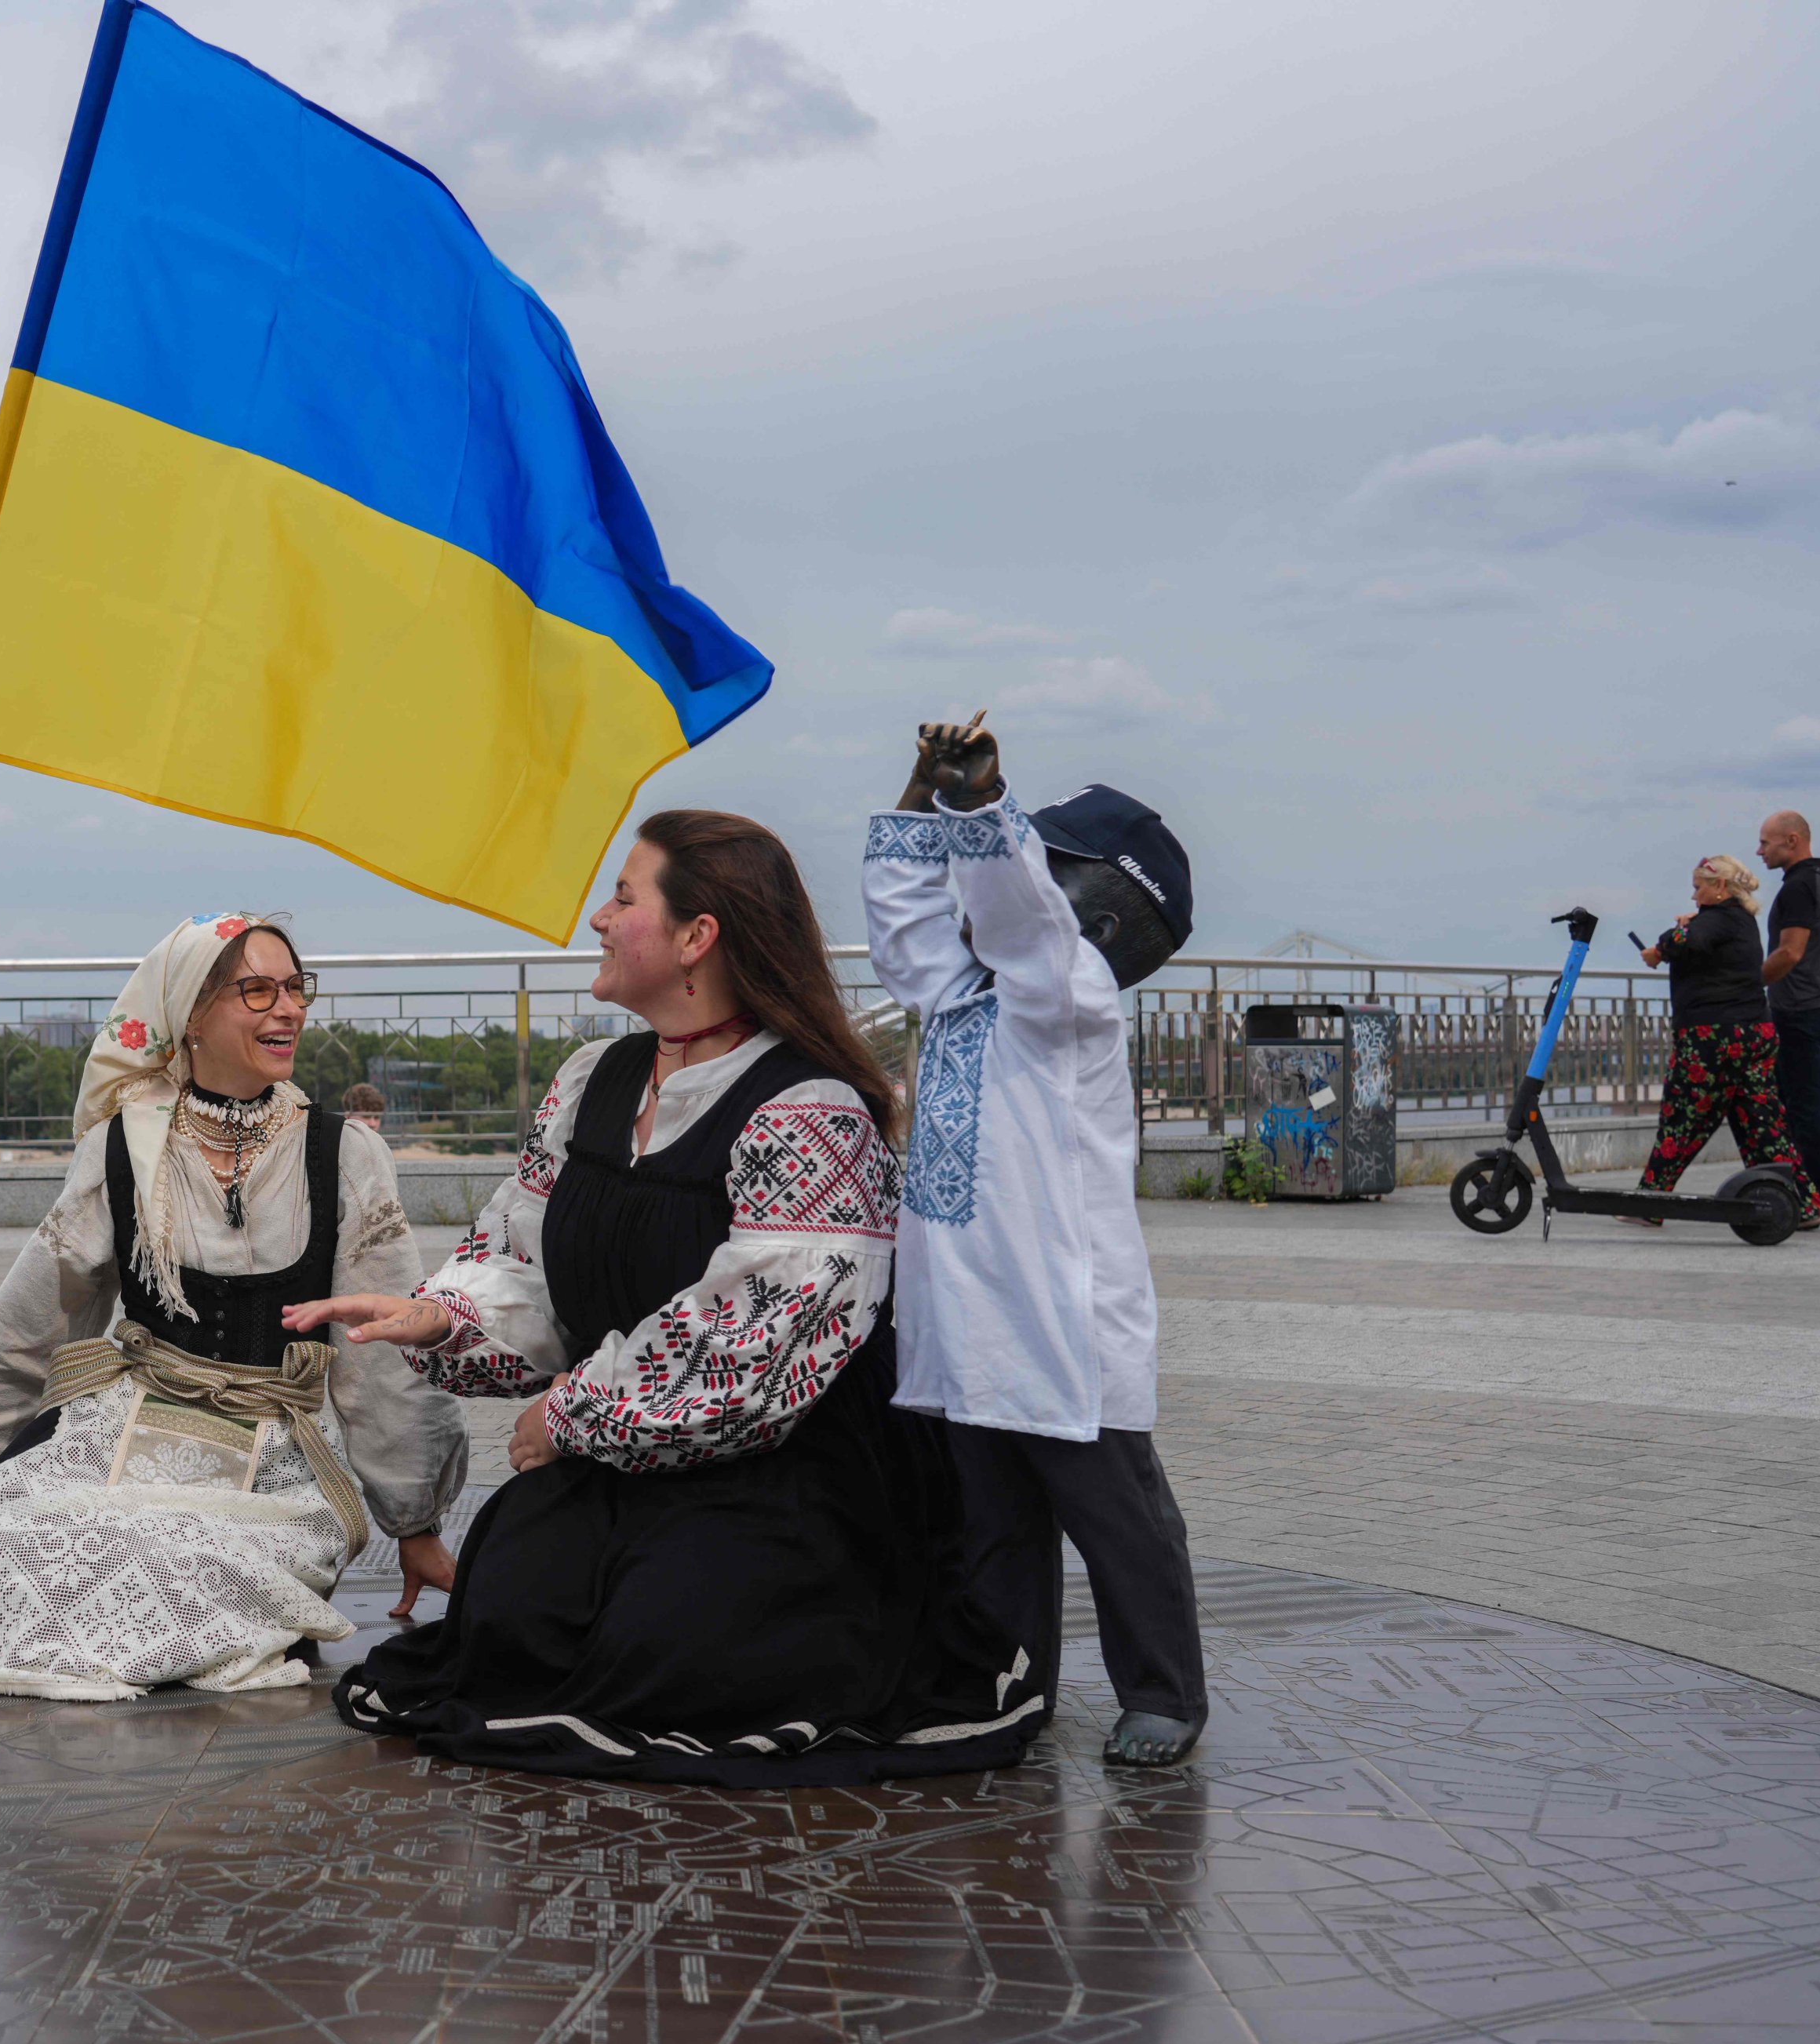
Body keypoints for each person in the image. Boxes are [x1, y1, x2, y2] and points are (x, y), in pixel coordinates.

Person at [297, 813, 1041, 1785]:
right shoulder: (591, 1084)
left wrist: (574, 1412)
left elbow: (755, 1349)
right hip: (631, 1457)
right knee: (516, 1602)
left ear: (697, 937)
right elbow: (525, 1253)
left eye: (624, 896)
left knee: (674, 1640)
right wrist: (444, 1315)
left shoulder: (811, 1113)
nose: (598, 919)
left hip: (790, 1466)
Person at [0, 912, 468, 1693]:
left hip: (264, 1470)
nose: (289, 1009)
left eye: (294, 988)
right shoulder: (123, 1146)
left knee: (192, 1568)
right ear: (191, 1014)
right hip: (120, 1441)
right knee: (3, 1556)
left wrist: (415, 1523)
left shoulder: (345, 1155)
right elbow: (36, 1321)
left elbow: (386, 1353)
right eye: (257, 990)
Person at [863, 719, 1210, 1767]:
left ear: (1096, 910)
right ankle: (1004, 1684)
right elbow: (905, 926)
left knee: (1118, 1521)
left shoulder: (1072, 1002)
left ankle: (1164, 1689)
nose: (991, 889)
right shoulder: (959, 1000)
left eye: (1030, 865)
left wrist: (979, 811)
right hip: (969, 1324)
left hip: (1063, 1329)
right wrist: (921, 803)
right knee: (992, 1525)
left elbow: (1025, 927)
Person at [1633, 854, 1820, 1224]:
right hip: (1754, 1033)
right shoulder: (1742, 920)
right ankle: (1803, 1206)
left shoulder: (1716, 919)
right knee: (1763, 1125)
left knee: (1684, 1118)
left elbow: (1687, 944)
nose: (1693, 897)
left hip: (1714, 1038)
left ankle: (1650, 1202)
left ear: (1720, 887)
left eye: (1698, 888)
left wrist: (1662, 946)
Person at [1757, 812, 1820, 1209]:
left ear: (1792, 840)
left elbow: (1790, 952)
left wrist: (1746, 985)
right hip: (1818, 1003)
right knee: (1788, 1101)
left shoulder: (1800, 886)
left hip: (1801, 1009)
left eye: (1766, 842)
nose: (1759, 850)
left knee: (1803, 1107)